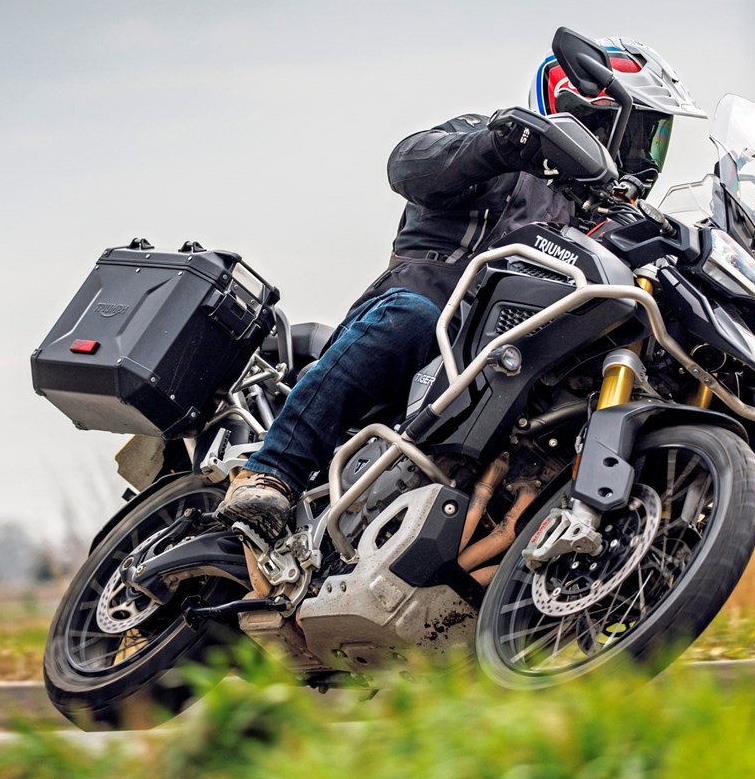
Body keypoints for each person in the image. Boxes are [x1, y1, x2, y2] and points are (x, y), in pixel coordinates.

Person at [216, 36, 706, 543]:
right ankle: (272, 472)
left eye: (658, 137)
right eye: (644, 132)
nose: (649, 156)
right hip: (429, 311)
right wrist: (499, 146)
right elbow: (409, 164)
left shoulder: (606, 217)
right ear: (587, 110)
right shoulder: (499, 143)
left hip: (512, 356)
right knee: (413, 317)